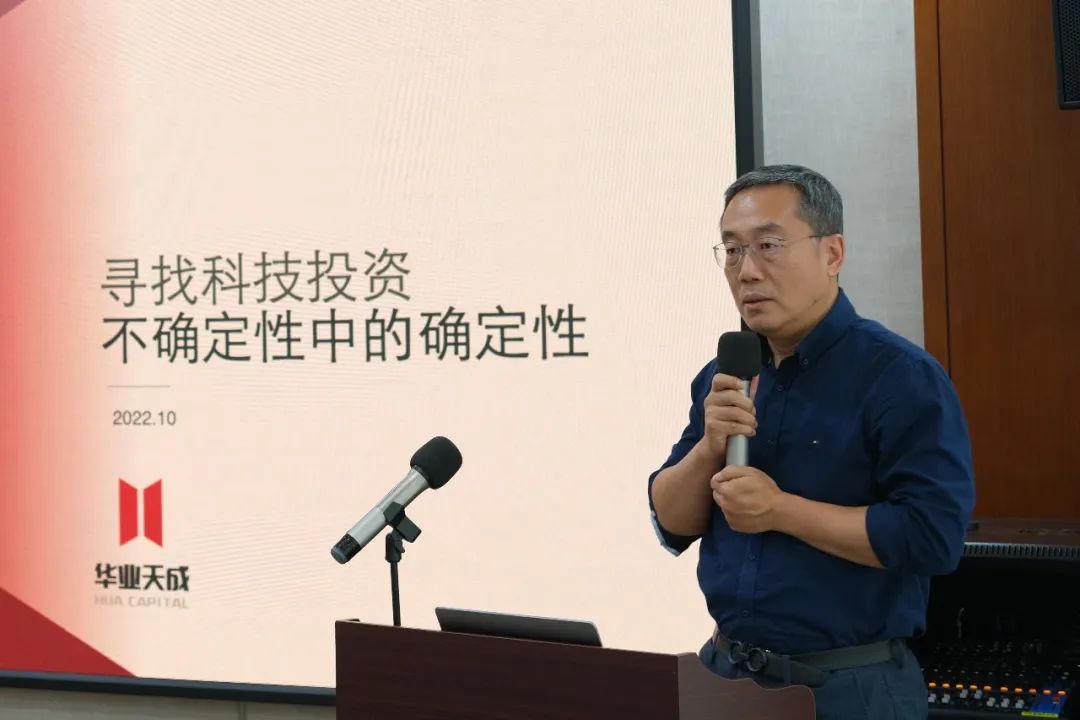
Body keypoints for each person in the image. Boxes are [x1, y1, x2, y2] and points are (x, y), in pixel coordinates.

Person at [647, 165, 975, 720]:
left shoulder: (899, 376)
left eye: (769, 246)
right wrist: (708, 446)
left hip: (848, 686)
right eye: (732, 250)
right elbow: (671, 524)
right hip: (724, 673)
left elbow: (932, 537)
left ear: (832, 253)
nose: (747, 271)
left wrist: (780, 510)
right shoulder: (725, 373)